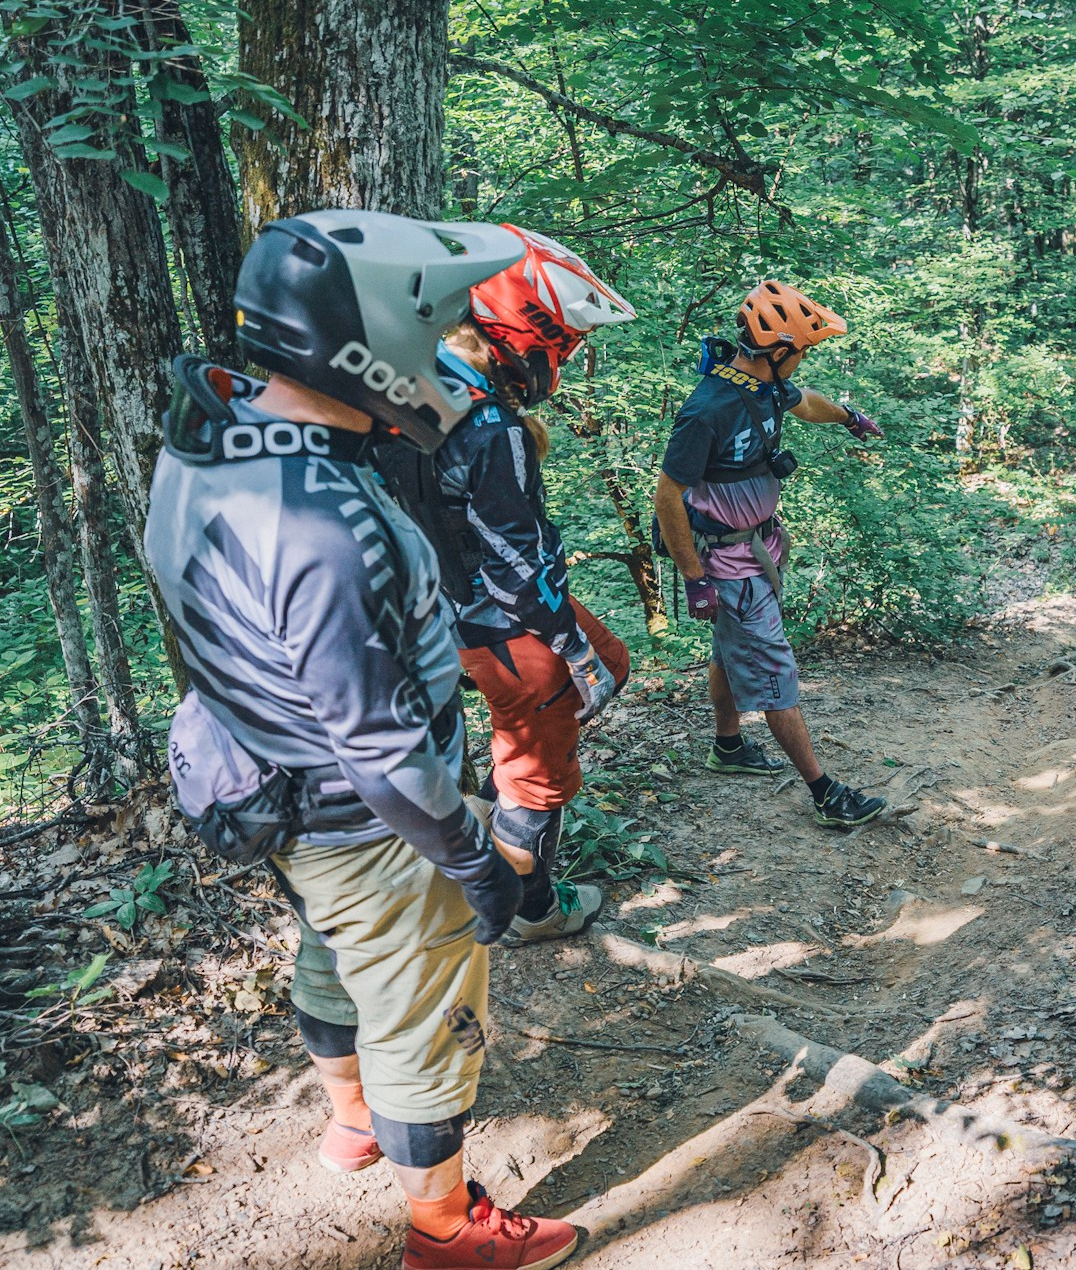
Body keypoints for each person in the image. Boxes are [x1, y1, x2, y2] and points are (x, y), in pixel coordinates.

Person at [150, 210, 581, 1270]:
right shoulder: (321, 521)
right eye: (428, 325)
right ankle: (445, 1228)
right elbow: (381, 745)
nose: (443, 350)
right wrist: (472, 860)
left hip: (259, 770)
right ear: (368, 341)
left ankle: (349, 1122)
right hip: (356, 810)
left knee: (334, 950)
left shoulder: (216, 435)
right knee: (425, 999)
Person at [374, 225, 638, 942]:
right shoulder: (491, 428)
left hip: (451, 609)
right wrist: (570, 648)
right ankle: (532, 908)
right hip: (507, 622)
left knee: (610, 662)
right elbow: (520, 572)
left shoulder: (404, 393)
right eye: (564, 341)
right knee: (541, 763)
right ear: (525, 328)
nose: (566, 358)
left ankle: (495, 808)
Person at [651, 281, 889, 829]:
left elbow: (805, 404)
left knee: (728, 649)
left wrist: (849, 417)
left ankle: (729, 746)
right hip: (725, 563)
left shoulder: (765, 387)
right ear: (778, 351)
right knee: (773, 669)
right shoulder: (705, 410)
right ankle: (825, 793)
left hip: (755, 548)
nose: (804, 360)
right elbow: (666, 495)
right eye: (802, 350)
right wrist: (693, 578)